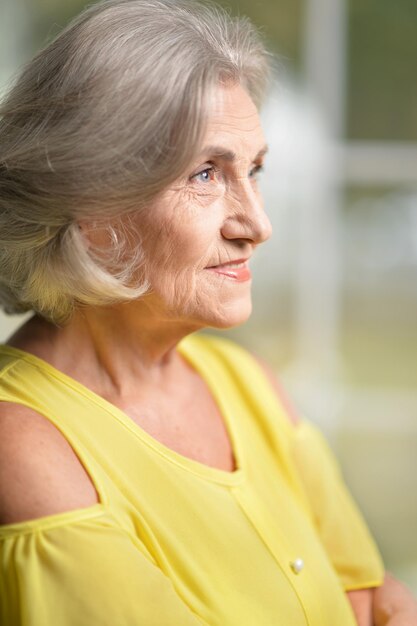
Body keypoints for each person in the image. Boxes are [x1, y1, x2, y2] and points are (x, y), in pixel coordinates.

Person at [0, 1, 416, 624]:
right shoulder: (23, 441)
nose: (258, 225)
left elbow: (374, 601)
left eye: (255, 170)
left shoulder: (248, 386)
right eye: (204, 175)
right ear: (91, 210)